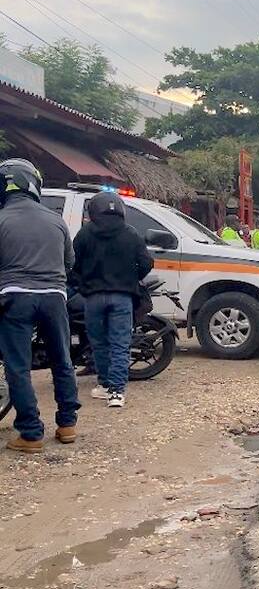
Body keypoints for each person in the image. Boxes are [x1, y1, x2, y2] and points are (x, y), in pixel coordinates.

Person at [0, 159, 80, 453]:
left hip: (14, 298)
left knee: (17, 366)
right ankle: (67, 424)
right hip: (54, 297)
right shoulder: (56, 221)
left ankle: (31, 433)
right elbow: (69, 263)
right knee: (62, 360)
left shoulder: (1, 220)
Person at [71, 192, 154, 408]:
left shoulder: (84, 234)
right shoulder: (131, 233)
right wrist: (131, 278)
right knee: (120, 344)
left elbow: (73, 265)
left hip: (93, 299)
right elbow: (146, 263)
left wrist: (83, 285)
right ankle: (117, 393)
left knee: (99, 343)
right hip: (122, 298)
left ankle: (105, 384)